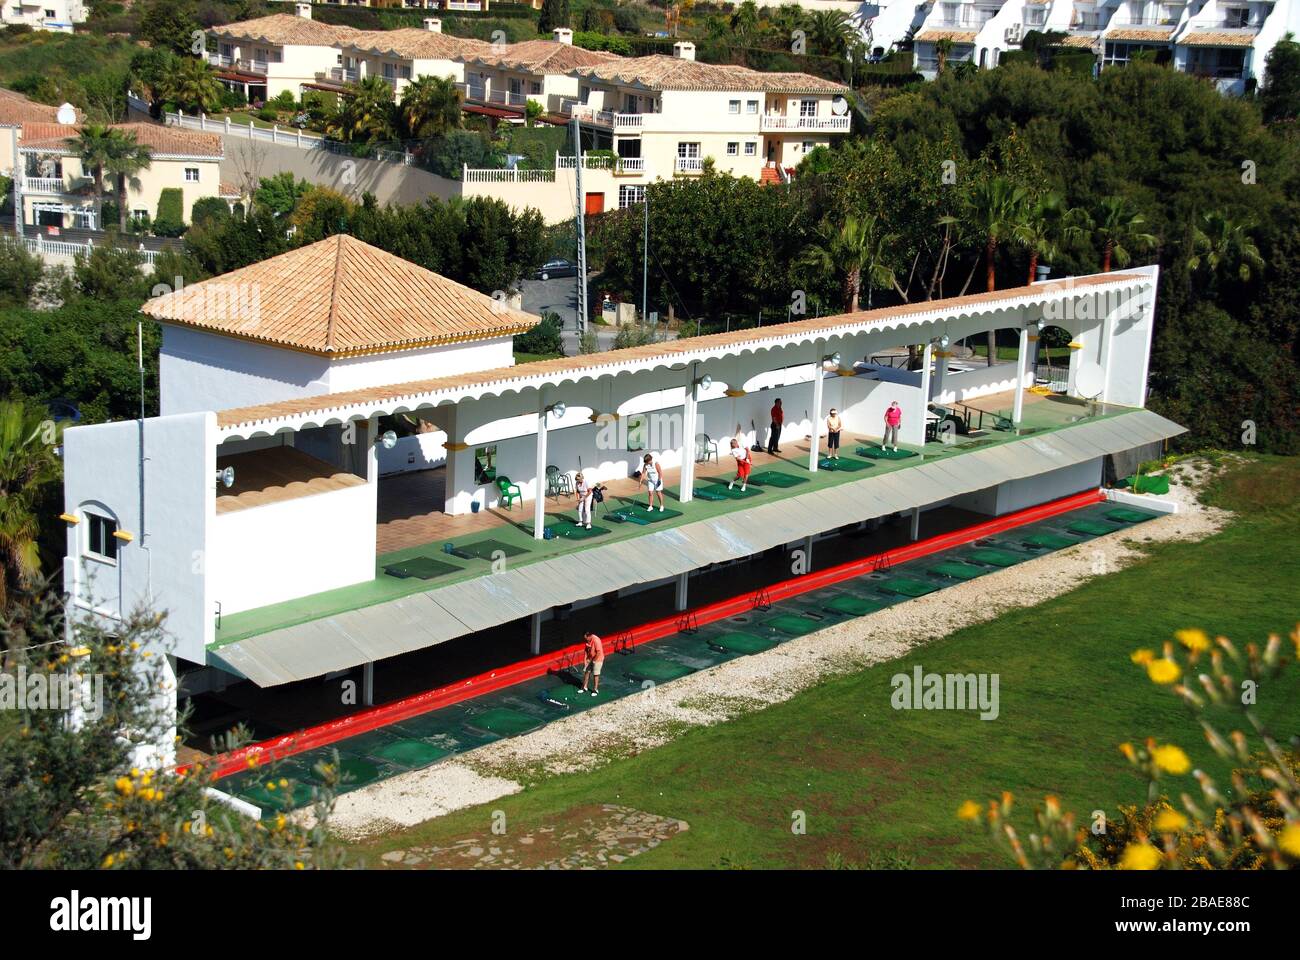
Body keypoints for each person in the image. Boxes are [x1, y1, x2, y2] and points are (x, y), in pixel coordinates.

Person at [579, 631, 604, 696]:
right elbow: (586, 651)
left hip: (598, 659)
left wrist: (594, 661)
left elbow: (598, 652)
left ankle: (595, 690)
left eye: (586, 638)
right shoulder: (587, 640)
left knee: (596, 674)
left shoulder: (596, 640)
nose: (585, 640)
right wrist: (585, 660)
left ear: (589, 636)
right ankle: (584, 687)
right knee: (587, 672)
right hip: (590, 658)